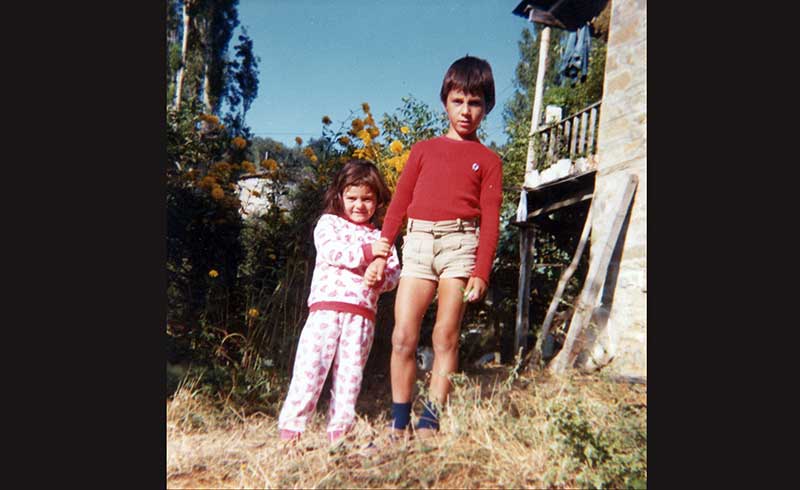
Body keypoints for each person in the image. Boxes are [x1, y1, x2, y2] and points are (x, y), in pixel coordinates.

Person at [374, 55, 503, 438]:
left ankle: (430, 421)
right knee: (402, 337)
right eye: (458, 101)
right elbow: (399, 201)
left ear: (486, 107)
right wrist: (383, 248)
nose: (466, 111)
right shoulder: (423, 150)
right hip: (418, 244)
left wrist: (481, 271)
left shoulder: (489, 161)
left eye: (475, 103)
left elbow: (491, 219)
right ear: (445, 101)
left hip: (460, 247)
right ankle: (399, 423)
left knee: (445, 335)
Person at [277, 159, 401, 444]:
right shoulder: (328, 224)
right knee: (309, 371)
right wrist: (368, 253)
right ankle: (291, 432)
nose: (359, 205)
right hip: (325, 310)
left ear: (378, 201)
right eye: (352, 198)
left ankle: (339, 434)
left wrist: (380, 278)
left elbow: (394, 273)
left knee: (349, 377)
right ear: (339, 196)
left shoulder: (382, 237)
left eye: (367, 199)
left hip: (362, 316)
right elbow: (333, 252)